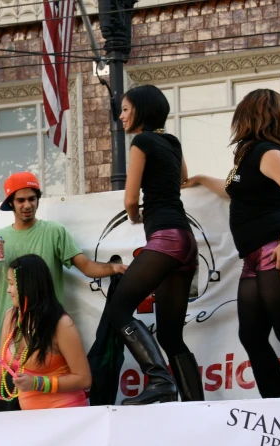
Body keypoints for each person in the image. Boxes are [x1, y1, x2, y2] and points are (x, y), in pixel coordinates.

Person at [185, 89, 280, 398]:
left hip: (275, 250)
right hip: (254, 257)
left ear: (251, 115)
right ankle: (276, 407)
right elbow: (232, 190)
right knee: (252, 336)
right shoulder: (248, 155)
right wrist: (202, 178)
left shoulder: (268, 152)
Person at [0, 171, 126, 411]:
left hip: (47, 336)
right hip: (10, 338)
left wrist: (114, 268)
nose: (27, 205)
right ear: (10, 204)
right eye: (21, 200)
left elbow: (86, 267)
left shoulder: (54, 231)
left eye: (32, 199)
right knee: (7, 422)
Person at [105, 84, 202, 405]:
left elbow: (130, 198)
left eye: (126, 110)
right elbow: (183, 178)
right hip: (187, 240)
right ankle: (196, 405)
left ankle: (160, 381)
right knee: (172, 335)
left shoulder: (141, 141)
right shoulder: (172, 141)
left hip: (167, 238)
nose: (121, 116)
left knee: (119, 308)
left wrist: (135, 215)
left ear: (141, 112)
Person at [0, 255, 91, 421]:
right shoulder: (11, 316)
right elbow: (1, 366)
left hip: (67, 417)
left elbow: (84, 379)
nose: (8, 290)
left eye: (12, 284)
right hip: (31, 419)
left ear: (29, 286)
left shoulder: (61, 324)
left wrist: (38, 383)